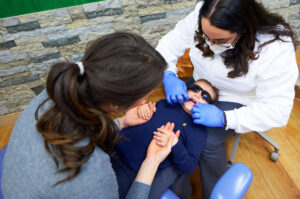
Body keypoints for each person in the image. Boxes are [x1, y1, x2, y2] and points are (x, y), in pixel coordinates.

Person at [1, 32, 178, 199]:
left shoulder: (55, 92)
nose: (145, 101)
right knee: (168, 170)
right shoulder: (91, 174)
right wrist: (152, 161)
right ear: (116, 104)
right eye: (145, 95)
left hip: (18, 176)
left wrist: (120, 122)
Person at [156, 0, 299, 198]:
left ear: (245, 29)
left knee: (206, 141)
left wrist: (225, 118)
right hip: (201, 83)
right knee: (167, 120)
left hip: (237, 98)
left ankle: (215, 191)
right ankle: (176, 186)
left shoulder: (275, 45)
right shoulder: (205, 16)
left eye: (220, 41)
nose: (211, 45)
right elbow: (168, 46)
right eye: (206, 38)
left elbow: (278, 110)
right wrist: (169, 75)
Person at [115, 79, 218, 199]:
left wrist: (175, 144)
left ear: (210, 108)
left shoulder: (198, 131)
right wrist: (143, 109)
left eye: (205, 96)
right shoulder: (166, 103)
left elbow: (189, 166)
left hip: (131, 170)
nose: (198, 94)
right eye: (195, 89)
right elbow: (143, 115)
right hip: (113, 145)